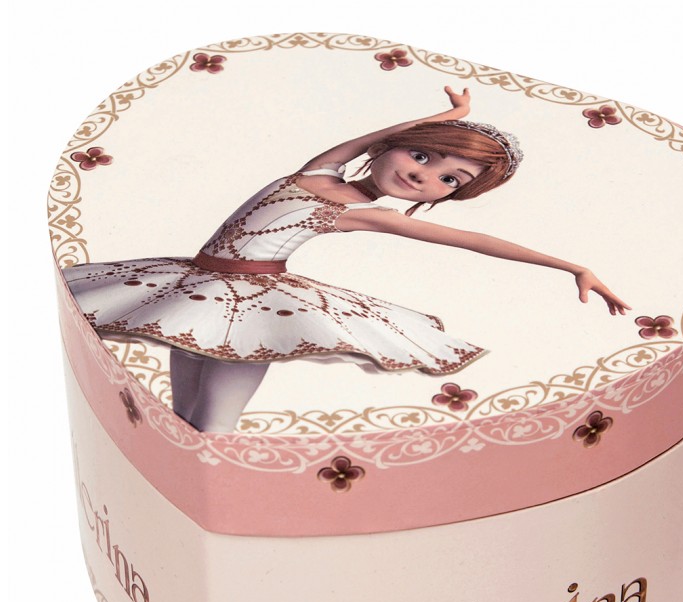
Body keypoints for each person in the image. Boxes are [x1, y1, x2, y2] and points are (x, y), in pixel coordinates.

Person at [65, 86, 630, 432]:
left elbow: (471, 241)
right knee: (182, 413)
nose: (423, 176)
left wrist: (570, 266)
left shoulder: (361, 213)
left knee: (214, 421)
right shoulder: (318, 173)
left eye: (448, 179)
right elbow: (372, 135)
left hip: (252, 306)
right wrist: (448, 113)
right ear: (391, 148)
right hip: (194, 287)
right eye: (422, 154)